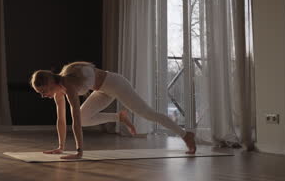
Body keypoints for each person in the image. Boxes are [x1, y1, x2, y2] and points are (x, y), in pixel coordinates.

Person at [30, 61, 196, 160]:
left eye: (44, 91)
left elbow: (75, 118)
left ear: (51, 82)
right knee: (86, 118)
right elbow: (61, 119)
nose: (44, 96)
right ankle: (119, 117)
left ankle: (185, 134)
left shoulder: (68, 84)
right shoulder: (58, 90)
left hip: (116, 84)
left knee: (147, 113)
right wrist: (60, 146)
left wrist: (79, 151)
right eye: (40, 94)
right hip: (102, 90)